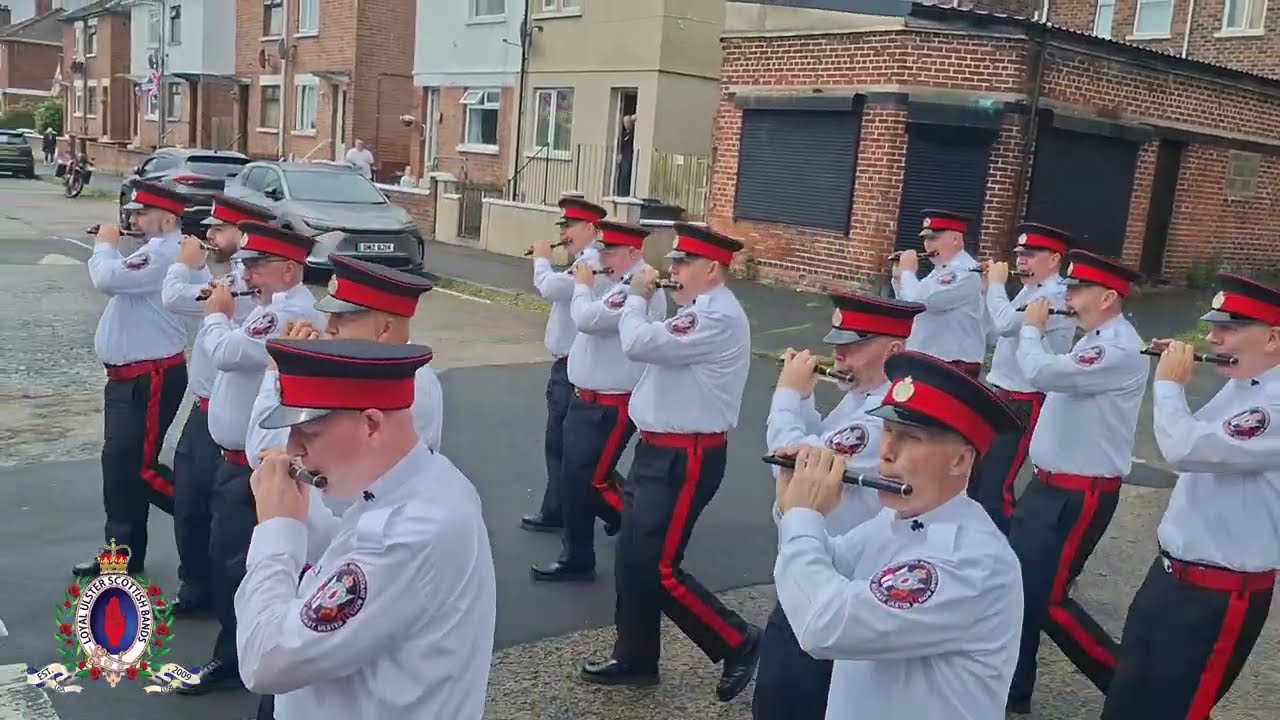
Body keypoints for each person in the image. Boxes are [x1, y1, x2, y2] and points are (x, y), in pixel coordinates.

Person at [236, 338, 495, 719]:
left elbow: (264, 659)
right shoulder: (417, 483)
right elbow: (347, 552)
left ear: (372, 424)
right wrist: (301, 511)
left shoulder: (409, 534)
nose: (293, 450)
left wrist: (277, 530)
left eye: (308, 433)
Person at [774, 350, 1024, 717]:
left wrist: (802, 517)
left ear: (961, 460)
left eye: (910, 437)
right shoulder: (900, 519)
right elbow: (830, 563)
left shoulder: (970, 560)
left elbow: (825, 625)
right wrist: (793, 504)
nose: (887, 452)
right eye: (887, 431)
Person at [580, 223, 761, 702]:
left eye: (683, 264)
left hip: (687, 456)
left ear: (713, 270)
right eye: (674, 262)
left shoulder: (716, 316)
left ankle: (737, 640)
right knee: (632, 561)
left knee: (657, 567)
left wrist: (636, 298)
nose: (672, 271)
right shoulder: (699, 310)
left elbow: (639, 343)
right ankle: (635, 657)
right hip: (659, 450)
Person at [1102, 273, 1280, 720]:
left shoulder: (1273, 406)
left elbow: (1186, 449)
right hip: (1170, 575)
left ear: (1274, 338)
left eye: (1230, 329)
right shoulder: (1243, 385)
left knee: (1173, 711)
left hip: (1218, 595)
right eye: (1214, 327)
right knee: (1125, 703)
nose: (1213, 337)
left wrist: (1168, 385)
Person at [753, 292, 925, 720]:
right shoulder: (863, 398)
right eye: (838, 343)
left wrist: (788, 395)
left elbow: (795, 462)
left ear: (895, 351)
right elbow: (825, 437)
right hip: (821, 565)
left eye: (854, 345)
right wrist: (808, 400)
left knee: (790, 701)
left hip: (838, 582)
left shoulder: (882, 417)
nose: (839, 354)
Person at [182, 222, 325, 695]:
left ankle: (240, 657)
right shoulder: (267, 306)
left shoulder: (285, 313)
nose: (247, 274)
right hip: (235, 456)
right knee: (228, 559)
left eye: (256, 265)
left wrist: (217, 315)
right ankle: (237, 650)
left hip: (253, 465)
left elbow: (224, 351)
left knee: (239, 564)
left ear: (288, 270)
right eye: (245, 264)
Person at [1006, 250, 1149, 715]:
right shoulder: (1096, 339)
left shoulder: (1116, 347)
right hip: (1049, 485)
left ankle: (1127, 691)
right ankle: (1013, 691)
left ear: (1108, 297)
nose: (1068, 297)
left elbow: (1042, 372)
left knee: (1048, 600)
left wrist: (1032, 328)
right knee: (1019, 591)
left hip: (1079, 493)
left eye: (1078, 289)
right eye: (1067, 288)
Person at [531, 220, 666, 583]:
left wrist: (582, 285)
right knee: (577, 479)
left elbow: (587, 319)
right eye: (603, 250)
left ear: (634, 253)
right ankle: (582, 550)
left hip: (610, 403)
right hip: (588, 398)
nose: (602, 257)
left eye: (611, 252)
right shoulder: (620, 284)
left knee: (585, 481)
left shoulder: (638, 288)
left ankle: (601, 544)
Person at [160, 194, 275, 614]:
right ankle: (196, 586)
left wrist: (184, 265)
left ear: (244, 234)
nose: (208, 236)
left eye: (218, 229)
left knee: (223, 516)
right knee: (189, 506)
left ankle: (224, 603)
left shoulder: (251, 286)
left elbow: (174, 299)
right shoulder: (232, 276)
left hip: (230, 417)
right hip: (205, 407)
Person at [74, 181, 192, 578]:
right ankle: (120, 556)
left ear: (168, 219)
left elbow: (107, 279)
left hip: (150, 375)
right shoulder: (155, 250)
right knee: (120, 469)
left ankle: (206, 517)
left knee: (137, 470)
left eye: (143, 213)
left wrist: (106, 244)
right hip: (129, 378)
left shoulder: (167, 254)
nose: (134, 218)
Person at [245, 254, 444, 461]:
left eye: (345, 317)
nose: (330, 327)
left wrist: (279, 371)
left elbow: (261, 450)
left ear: (385, 329)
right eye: (331, 315)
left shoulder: (397, 383)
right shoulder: (390, 371)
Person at [972, 223, 1075, 533]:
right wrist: (985, 290)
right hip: (1001, 392)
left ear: (1054, 259)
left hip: (1025, 399)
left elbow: (1005, 324)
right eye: (1019, 255)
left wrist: (996, 286)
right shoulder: (1031, 291)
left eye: (1030, 255)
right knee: (977, 479)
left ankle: (1006, 549)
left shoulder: (1055, 295)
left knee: (996, 486)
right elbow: (995, 334)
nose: (1021, 262)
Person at [520, 197, 607, 534]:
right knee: (561, 444)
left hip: (575, 364)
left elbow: (551, 288)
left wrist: (542, 260)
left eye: (570, 227)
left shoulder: (592, 262)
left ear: (589, 228)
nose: (565, 234)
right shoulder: (583, 261)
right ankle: (557, 508)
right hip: (567, 362)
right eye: (563, 228)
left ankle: (614, 510)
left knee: (569, 447)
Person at [891, 209, 985, 379]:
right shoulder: (940, 271)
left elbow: (919, 302)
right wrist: (899, 277)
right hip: (928, 357)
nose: (928, 245)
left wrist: (908, 272)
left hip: (952, 363)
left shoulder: (964, 272)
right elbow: (908, 307)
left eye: (934, 238)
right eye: (926, 239)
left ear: (956, 239)